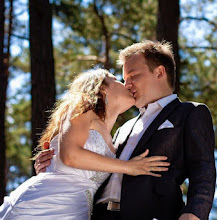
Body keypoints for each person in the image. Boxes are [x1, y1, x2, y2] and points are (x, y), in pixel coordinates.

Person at [35, 40, 216, 220]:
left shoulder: (190, 112)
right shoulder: (123, 128)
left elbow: (203, 169)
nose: (127, 84)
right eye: (124, 79)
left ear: (159, 72)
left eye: (134, 76)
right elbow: (96, 167)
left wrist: (194, 214)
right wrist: (56, 165)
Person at [0, 69, 170, 220]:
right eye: (117, 79)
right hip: (44, 205)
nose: (126, 84)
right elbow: (70, 156)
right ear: (102, 87)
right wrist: (129, 167)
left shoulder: (114, 140)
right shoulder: (82, 107)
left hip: (76, 212)